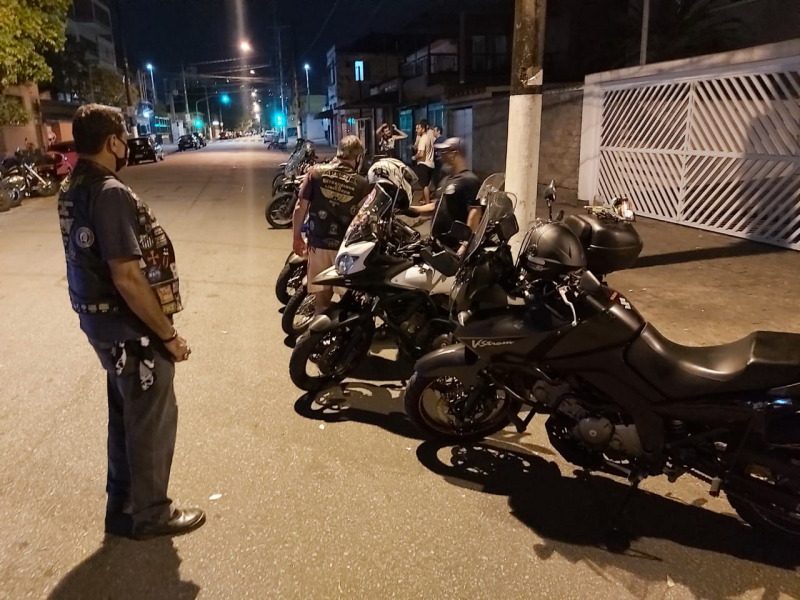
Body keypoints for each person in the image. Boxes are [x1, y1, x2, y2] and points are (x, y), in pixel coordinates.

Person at [56, 104, 204, 540]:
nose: (126, 146)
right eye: (123, 138)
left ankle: (121, 505)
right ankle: (152, 513)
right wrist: (168, 335)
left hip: (101, 325)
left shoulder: (73, 185)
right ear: (112, 142)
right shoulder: (109, 192)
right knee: (151, 421)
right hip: (129, 331)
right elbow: (127, 276)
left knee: (125, 416)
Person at [292, 135, 369, 314]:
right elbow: (363, 218)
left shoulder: (315, 173)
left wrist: (297, 237)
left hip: (318, 245)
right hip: (345, 250)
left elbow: (300, 207)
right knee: (349, 301)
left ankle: (318, 326)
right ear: (358, 157)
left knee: (321, 301)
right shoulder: (362, 184)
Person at [412, 137, 482, 253]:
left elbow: (475, 212)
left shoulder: (469, 180)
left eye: (445, 151)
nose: (441, 154)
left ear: (455, 153)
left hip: (454, 246)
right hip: (439, 242)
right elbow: (438, 205)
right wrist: (411, 209)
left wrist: (466, 244)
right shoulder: (446, 179)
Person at [412, 119, 435, 205]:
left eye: (418, 128)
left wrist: (414, 157)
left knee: (424, 185)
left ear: (423, 129)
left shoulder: (422, 139)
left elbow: (421, 154)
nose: (416, 130)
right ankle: (425, 200)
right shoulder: (429, 138)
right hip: (431, 164)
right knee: (426, 184)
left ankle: (427, 203)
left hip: (424, 164)